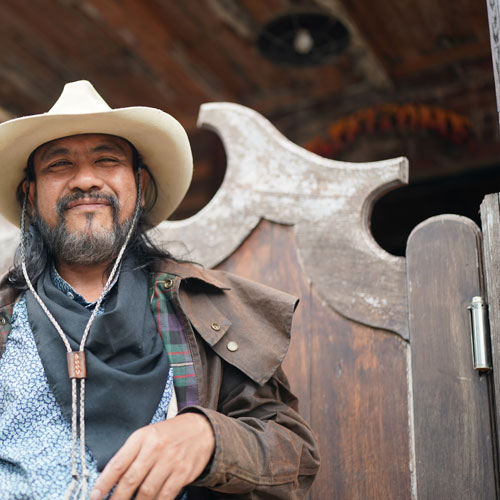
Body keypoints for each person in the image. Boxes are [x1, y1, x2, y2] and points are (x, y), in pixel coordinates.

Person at [0, 81, 320, 500]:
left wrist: (209, 436)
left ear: (139, 182)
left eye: (107, 160)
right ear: (30, 192)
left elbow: (296, 455)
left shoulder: (206, 307)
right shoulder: (5, 317)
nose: (85, 180)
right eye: (59, 164)